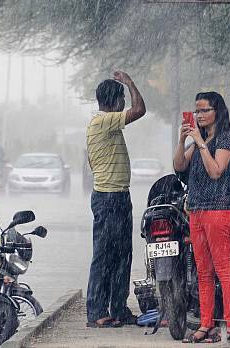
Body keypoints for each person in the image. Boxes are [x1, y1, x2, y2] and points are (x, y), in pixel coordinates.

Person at [173, 92, 230, 343]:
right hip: (197, 210)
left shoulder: (225, 139)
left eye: (204, 110)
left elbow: (215, 171)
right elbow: (179, 166)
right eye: (196, 111)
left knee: (223, 267)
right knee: (203, 271)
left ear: (217, 111)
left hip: (219, 209)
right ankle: (205, 323)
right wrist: (182, 141)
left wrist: (200, 142)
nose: (199, 115)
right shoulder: (198, 140)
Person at [85, 71, 145, 328]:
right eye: (121, 97)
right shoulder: (103, 121)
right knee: (104, 256)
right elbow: (140, 109)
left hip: (118, 195)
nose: (124, 103)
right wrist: (130, 82)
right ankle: (97, 311)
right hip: (109, 198)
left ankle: (118, 309)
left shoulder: (107, 124)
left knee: (122, 256)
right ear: (114, 101)